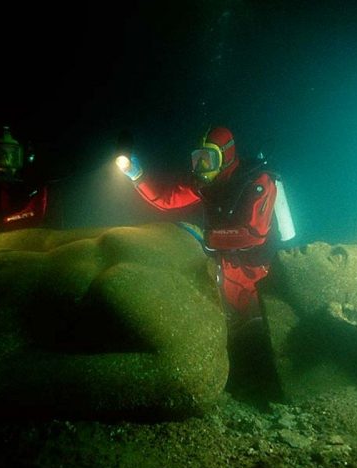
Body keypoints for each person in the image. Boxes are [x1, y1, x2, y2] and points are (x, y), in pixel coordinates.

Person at [117, 126, 294, 327]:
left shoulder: (259, 182)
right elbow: (166, 199)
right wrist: (137, 175)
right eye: (198, 158)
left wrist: (206, 238)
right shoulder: (206, 185)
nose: (202, 165)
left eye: (208, 158)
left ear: (225, 156)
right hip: (225, 271)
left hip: (259, 274)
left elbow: (254, 234)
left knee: (260, 326)